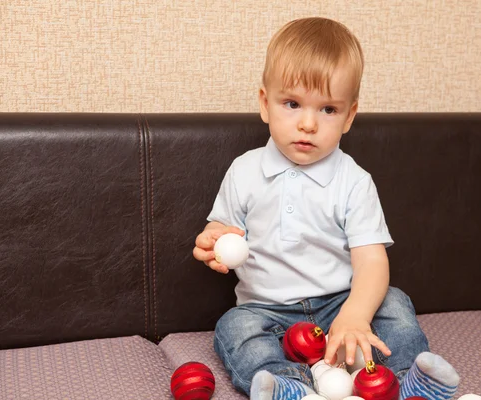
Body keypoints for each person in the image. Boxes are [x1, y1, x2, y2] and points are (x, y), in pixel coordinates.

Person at [193, 17, 460, 400]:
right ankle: (291, 387)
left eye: (328, 110)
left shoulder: (354, 181)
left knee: (395, 303)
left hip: (341, 301)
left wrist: (355, 314)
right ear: (265, 104)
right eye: (292, 104)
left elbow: (371, 262)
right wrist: (211, 240)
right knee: (233, 327)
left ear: (349, 116)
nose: (307, 124)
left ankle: (407, 382)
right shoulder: (244, 171)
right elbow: (222, 231)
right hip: (268, 311)